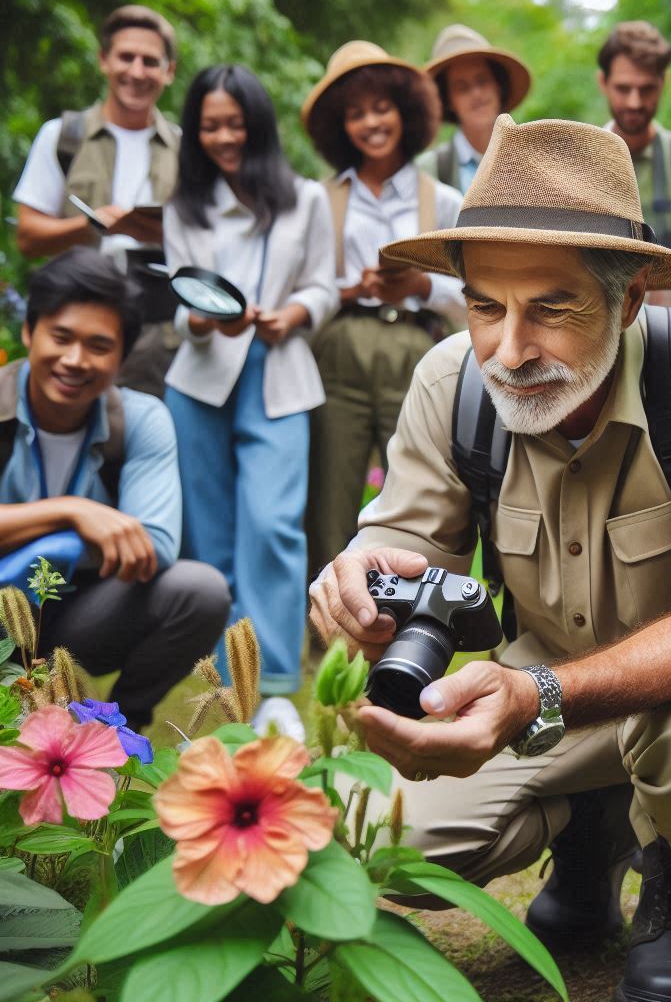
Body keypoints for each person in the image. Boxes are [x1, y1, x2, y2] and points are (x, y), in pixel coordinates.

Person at [310, 114, 671, 1002]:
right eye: (484, 306)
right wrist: (359, 576)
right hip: (538, 695)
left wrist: (540, 694)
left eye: (551, 307)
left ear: (629, 303)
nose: (508, 351)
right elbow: (403, 540)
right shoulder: (450, 383)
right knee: (366, 843)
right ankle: (591, 841)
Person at [162, 65, 336, 739]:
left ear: (259, 125)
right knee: (211, 539)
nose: (224, 136)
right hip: (200, 380)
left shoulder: (305, 200)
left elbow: (324, 285)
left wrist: (291, 315)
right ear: (195, 131)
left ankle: (274, 689)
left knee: (272, 526)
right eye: (210, 125)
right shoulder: (184, 205)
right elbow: (182, 298)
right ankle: (226, 683)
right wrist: (201, 320)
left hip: (279, 373)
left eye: (236, 123)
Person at [0, 248, 230, 729]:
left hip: (81, 616)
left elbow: (156, 546)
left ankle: (111, 732)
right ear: (29, 332)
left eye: (98, 345)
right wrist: (72, 512)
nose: (75, 360)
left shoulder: (140, 419)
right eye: (60, 337)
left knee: (199, 590)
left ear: (122, 356)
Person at [301, 42, 467, 581]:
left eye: (381, 108)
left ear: (406, 111)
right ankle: (327, 633)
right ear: (339, 125)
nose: (371, 123)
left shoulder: (439, 199)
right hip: (341, 345)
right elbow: (306, 282)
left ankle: (409, 619)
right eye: (356, 113)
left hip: (415, 344)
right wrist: (353, 290)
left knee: (414, 486)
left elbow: (470, 290)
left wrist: (418, 285)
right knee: (331, 487)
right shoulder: (321, 199)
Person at [13, 5, 182, 399]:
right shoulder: (62, 136)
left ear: (168, 71)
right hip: (71, 328)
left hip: (157, 338)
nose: (137, 72)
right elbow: (27, 238)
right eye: (126, 57)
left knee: (141, 442)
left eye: (150, 61)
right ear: (104, 60)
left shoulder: (186, 149)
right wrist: (92, 226)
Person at [597, 21, 671, 248]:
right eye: (623, 88)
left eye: (647, 89)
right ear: (603, 82)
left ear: (663, 82)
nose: (634, 102)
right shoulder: (581, 160)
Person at [418, 25, 531, 193]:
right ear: (447, 100)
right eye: (462, 87)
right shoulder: (429, 170)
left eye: (482, 81)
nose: (476, 94)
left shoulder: (532, 156)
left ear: (498, 86)